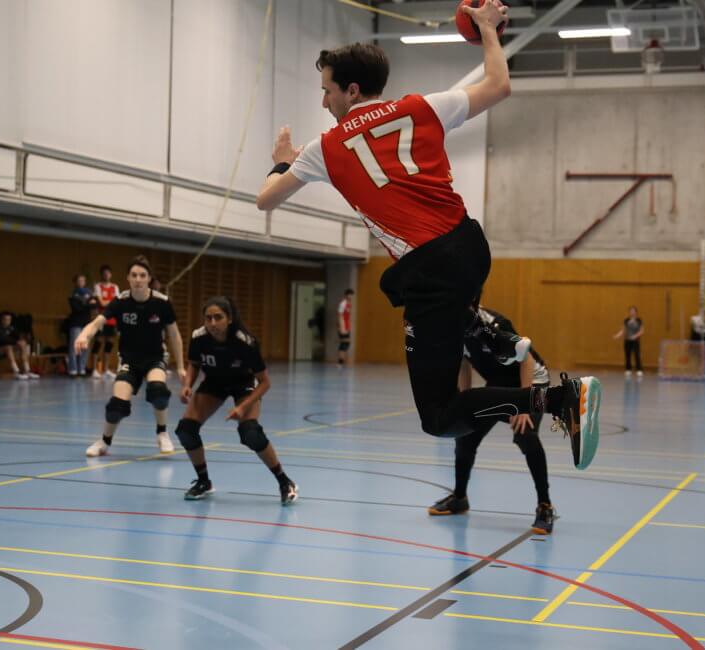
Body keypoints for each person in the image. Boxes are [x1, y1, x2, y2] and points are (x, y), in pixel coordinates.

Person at [254, 1, 600, 449]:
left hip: (431, 270)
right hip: (470, 247)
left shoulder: (324, 147)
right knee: (433, 308)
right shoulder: (422, 107)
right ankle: (481, 330)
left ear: (352, 91)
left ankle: (559, 399)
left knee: (439, 417)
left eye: (327, 91)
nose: (324, 101)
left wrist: (282, 162)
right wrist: (487, 29)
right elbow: (498, 85)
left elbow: (266, 199)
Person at [428, 304, 555, 534]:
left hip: (534, 382)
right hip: (498, 382)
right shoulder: (451, 325)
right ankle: (459, 498)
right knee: (465, 431)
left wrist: (523, 405)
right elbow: (463, 363)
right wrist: (464, 403)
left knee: (525, 433)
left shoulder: (492, 324)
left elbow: (525, 359)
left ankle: (545, 505)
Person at [174, 297, 298, 504]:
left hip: (243, 384)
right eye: (208, 318)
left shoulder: (245, 342)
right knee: (186, 430)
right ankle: (204, 482)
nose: (212, 323)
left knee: (250, 433)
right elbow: (194, 364)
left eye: (218, 317)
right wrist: (187, 385)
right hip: (214, 382)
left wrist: (242, 407)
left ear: (229, 319)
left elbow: (265, 383)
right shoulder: (199, 337)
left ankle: (284, 481)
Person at [75, 257, 186, 456]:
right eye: (134, 275)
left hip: (154, 358)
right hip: (129, 360)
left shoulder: (161, 303)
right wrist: (84, 335)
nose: (138, 279)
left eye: (142, 275)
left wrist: (180, 366)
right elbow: (97, 322)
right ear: (128, 278)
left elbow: (175, 335)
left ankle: (162, 433)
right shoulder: (121, 302)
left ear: (149, 278)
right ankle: (104, 442)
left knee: (158, 391)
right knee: (116, 406)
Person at [92, 265, 120, 379]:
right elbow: (102, 303)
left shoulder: (115, 287)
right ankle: (94, 369)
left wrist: (109, 302)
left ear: (111, 275)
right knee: (98, 343)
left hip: (112, 319)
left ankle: (106, 369)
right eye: (104, 273)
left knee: (109, 344)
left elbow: (117, 303)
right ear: (102, 275)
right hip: (101, 318)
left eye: (108, 273)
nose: (106, 275)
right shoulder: (98, 286)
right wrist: (111, 301)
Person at [0, 313, 37, 380]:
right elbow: (1, 340)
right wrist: (15, 342)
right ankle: (16, 372)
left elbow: (17, 338)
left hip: (11, 349)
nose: (7, 321)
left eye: (9, 320)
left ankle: (27, 370)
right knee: (8, 347)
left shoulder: (11, 328)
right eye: (6, 319)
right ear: (2, 320)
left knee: (23, 345)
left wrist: (21, 341)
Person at [66, 274, 93, 377]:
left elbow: (94, 305)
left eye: (83, 280)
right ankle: (73, 369)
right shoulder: (73, 294)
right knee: (74, 345)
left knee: (85, 346)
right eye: (79, 280)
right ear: (75, 282)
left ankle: (82, 368)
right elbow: (76, 308)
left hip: (86, 322)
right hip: (76, 322)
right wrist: (88, 303)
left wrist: (85, 303)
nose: (81, 282)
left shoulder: (89, 293)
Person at [613, 306, 644, 378]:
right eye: (631, 311)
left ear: (636, 312)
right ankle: (628, 369)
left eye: (633, 311)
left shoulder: (639, 320)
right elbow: (623, 330)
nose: (632, 312)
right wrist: (617, 335)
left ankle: (639, 369)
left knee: (637, 355)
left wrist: (635, 336)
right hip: (627, 340)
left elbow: (641, 331)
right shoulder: (626, 320)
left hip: (635, 341)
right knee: (627, 355)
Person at [336, 288, 354, 367]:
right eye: (350, 295)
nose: (351, 296)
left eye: (352, 295)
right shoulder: (343, 304)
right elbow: (340, 316)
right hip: (343, 326)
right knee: (344, 343)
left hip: (347, 326)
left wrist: (349, 326)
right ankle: (340, 362)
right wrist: (342, 327)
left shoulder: (349, 304)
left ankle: (342, 361)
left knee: (346, 343)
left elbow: (348, 316)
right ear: (346, 295)